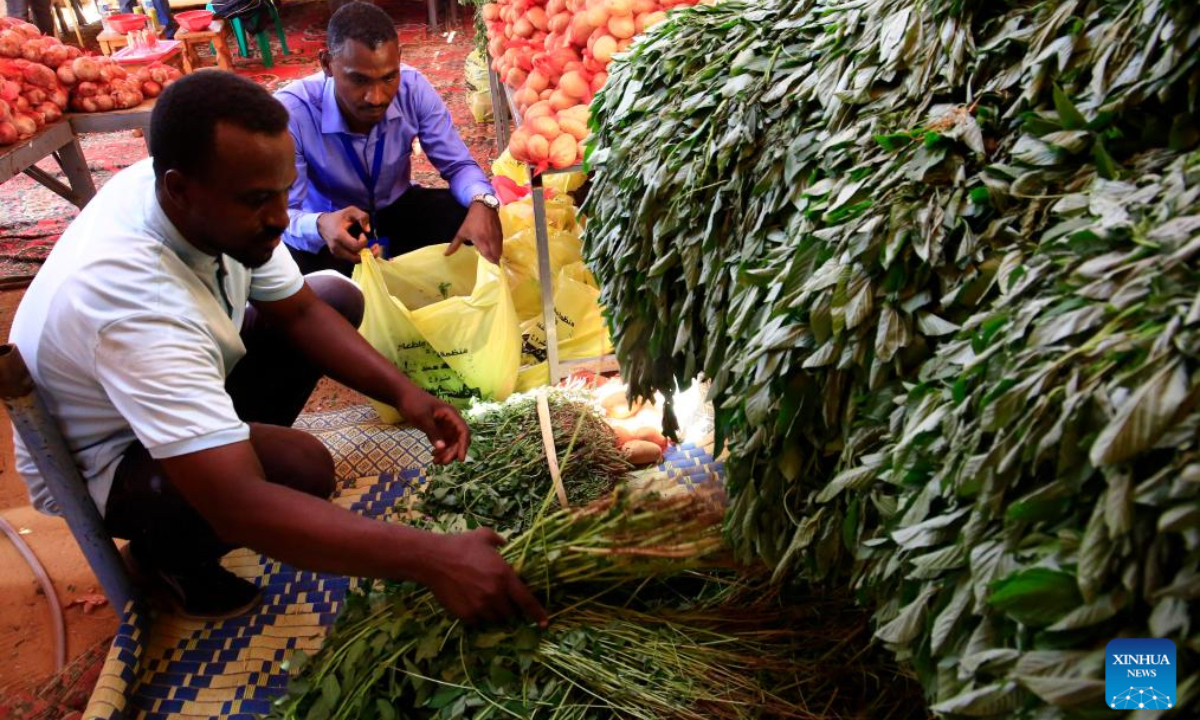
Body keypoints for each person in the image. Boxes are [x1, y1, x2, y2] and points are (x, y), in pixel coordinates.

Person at [8, 71, 545, 627]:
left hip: (168, 380)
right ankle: (163, 555)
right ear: (179, 189)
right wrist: (434, 558)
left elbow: (302, 311)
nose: (281, 219)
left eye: (284, 191)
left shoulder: (213, 200)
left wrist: (409, 396)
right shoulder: (133, 303)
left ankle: (212, 449)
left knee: (333, 295)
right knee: (298, 469)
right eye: (259, 201)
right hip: (108, 459)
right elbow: (239, 503)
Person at [276, 1, 503, 276]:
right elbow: (284, 213)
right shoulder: (292, 113)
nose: (377, 97)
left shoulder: (414, 88)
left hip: (397, 209)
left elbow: (458, 166)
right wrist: (321, 224)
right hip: (336, 228)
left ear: (399, 58)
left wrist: (483, 200)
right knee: (295, 263)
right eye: (359, 80)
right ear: (327, 64)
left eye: (388, 77)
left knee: (469, 217)